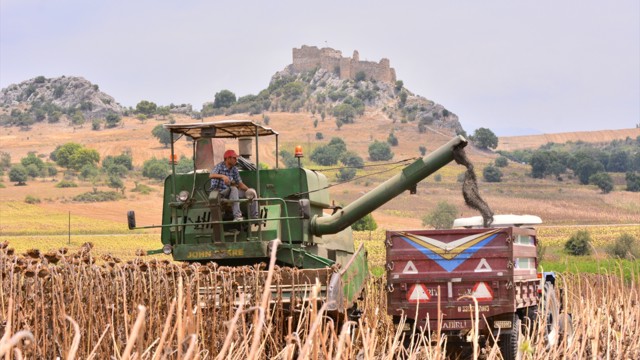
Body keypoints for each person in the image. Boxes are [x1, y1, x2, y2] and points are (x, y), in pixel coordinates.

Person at [209, 149, 259, 221]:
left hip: (231, 193)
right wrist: (222, 176)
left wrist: (249, 191)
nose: (236, 160)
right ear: (228, 158)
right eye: (234, 158)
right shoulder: (219, 166)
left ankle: (254, 217)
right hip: (219, 193)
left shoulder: (234, 169)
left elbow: (240, 184)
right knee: (234, 188)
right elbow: (211, 175)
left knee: (252, 192)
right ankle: (237, 216)